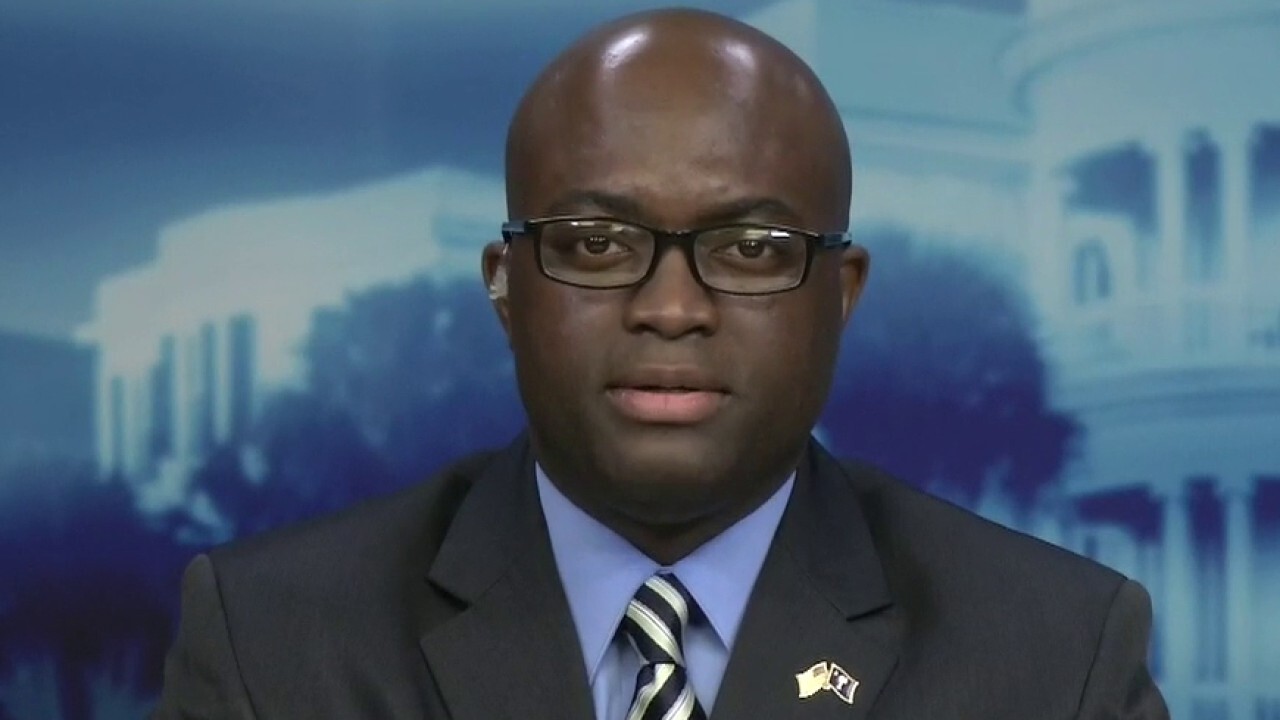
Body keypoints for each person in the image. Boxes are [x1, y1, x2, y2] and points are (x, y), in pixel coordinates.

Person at [153, 8, 1169, 719]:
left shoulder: (1054, 657)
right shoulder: (273, 644)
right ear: (505, 286)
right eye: (596, 243)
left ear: (840, 292)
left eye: (752, 249)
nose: (672, 309)